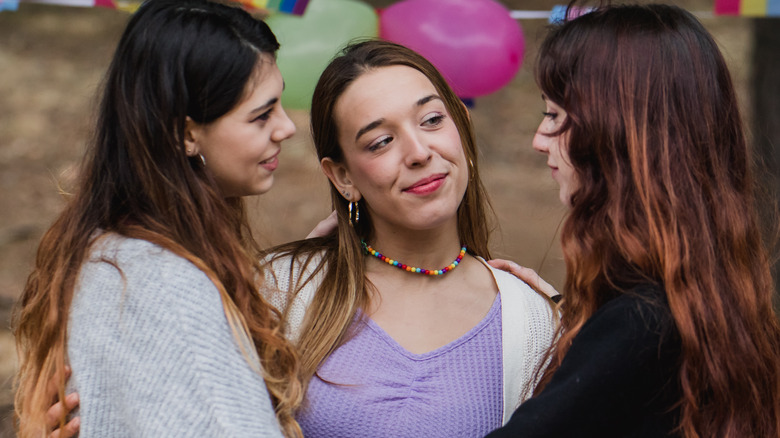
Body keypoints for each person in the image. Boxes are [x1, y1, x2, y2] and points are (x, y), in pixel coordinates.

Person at [13, 0, 306, 436]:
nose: (286, 128)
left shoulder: (111, 251)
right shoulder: (165, 286)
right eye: (261, 115)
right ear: (187, 134)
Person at [486, 3, 780, 437]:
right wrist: (576, 321)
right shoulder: (697, 296)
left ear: (615, 132)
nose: (537, 140)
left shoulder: (640, 323)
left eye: (554, 115)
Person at [260, 39, 558, 438]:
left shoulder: (535, 321)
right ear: (343, 177)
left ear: (461, 129)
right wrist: (303, 274)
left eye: (432, 120)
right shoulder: (279, 291)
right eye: (381, 141)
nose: (418, 152)